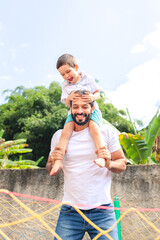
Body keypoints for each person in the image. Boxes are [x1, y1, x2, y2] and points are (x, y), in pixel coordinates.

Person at [46, 90, 127, 240]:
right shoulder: (59, 136)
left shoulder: (106, 133)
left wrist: (109, 164)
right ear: (70, 110)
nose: (80, 111)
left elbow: (122, 164)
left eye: (84, 107)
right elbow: (50, 168)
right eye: (75, 107)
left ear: (93, 109)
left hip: (103, 211)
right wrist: (53, 163)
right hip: (70, 212)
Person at [51, 53, 106, 176]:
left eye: (68, 72)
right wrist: (69, 98)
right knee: (65, 132)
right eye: (62, 74)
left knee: (94, 129)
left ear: (76, 67)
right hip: (74, 112)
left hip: (92, 111)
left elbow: (98, 93)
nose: (66, 76)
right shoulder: (65, 86)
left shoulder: (87, 78)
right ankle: (58, 160)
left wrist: (92, 96)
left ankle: (101, 156)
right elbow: (66, 103)